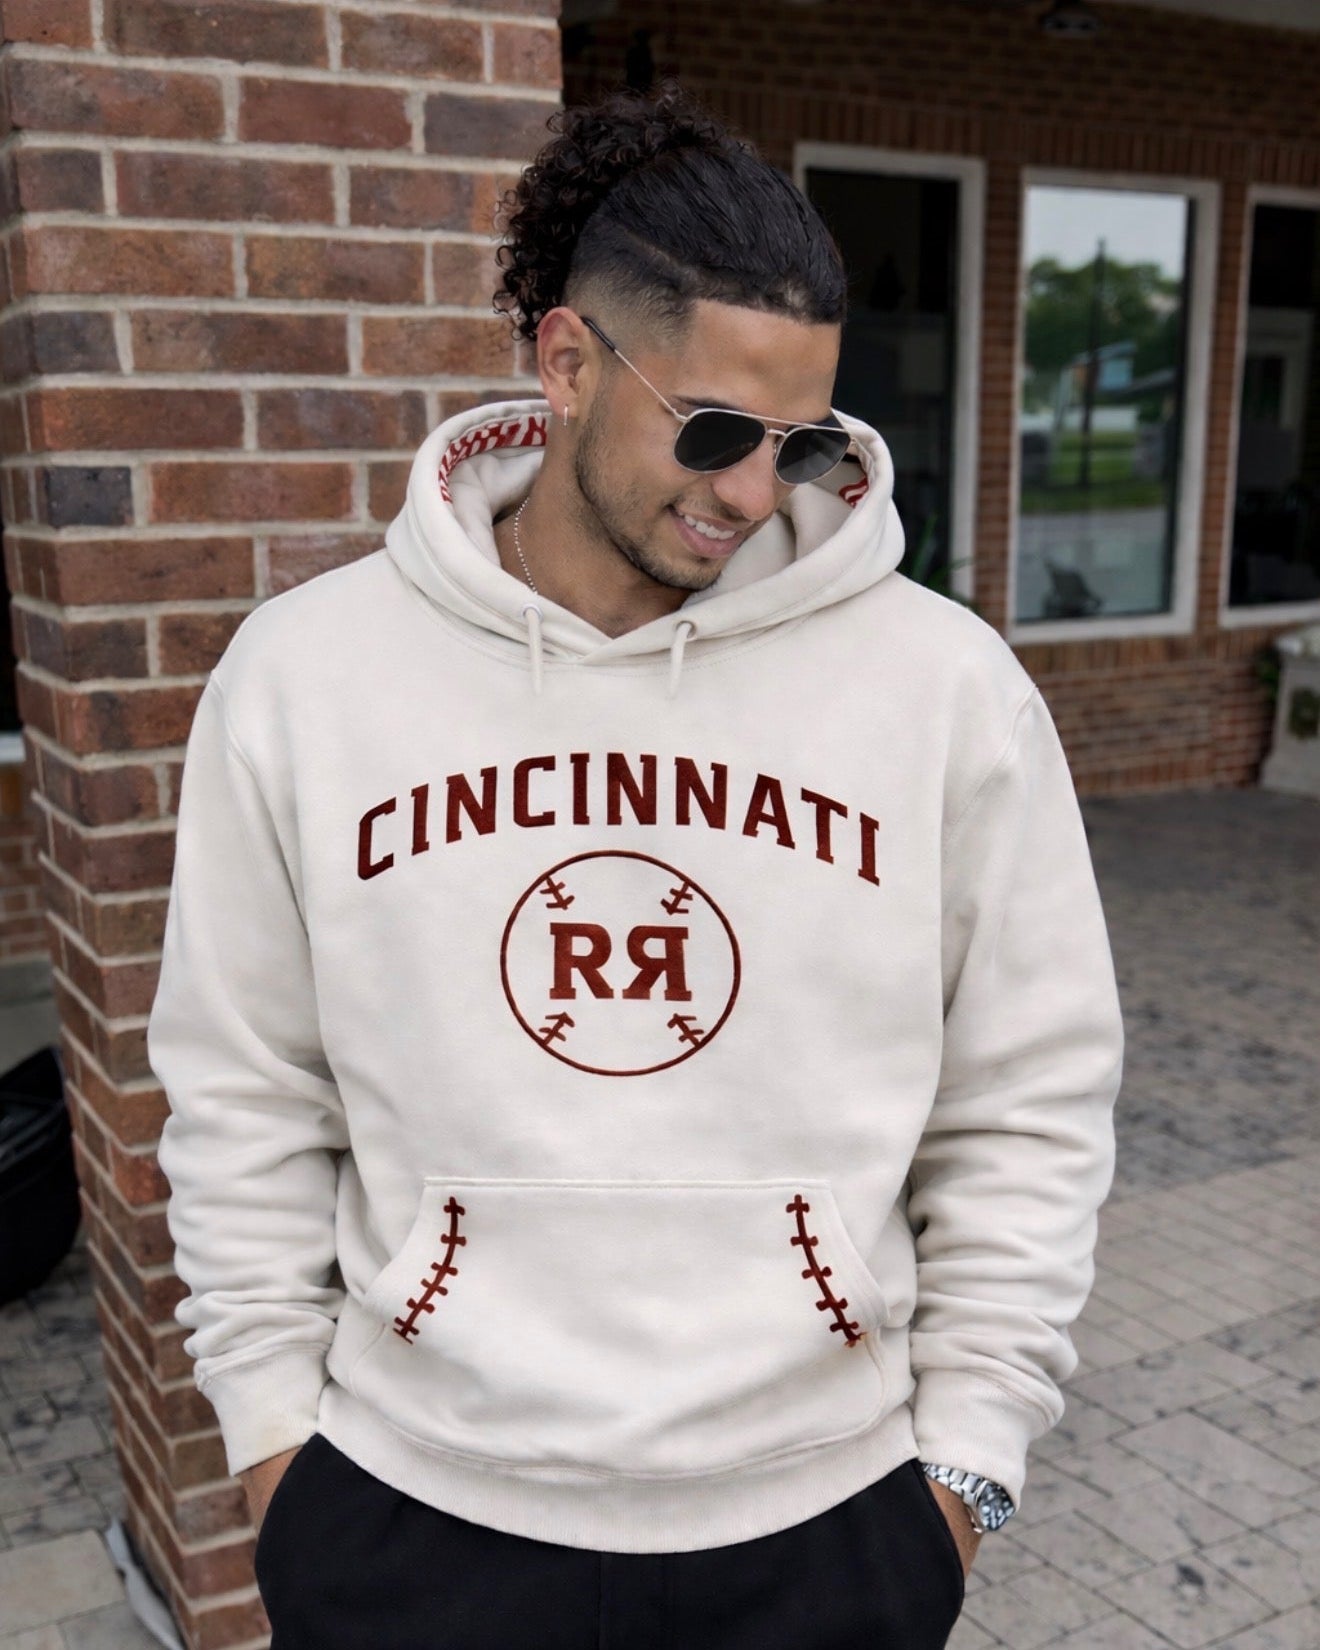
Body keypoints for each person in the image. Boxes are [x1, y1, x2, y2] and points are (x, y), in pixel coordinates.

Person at [148, 84, 1124, 1650]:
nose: (755, 491)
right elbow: (246, 1089)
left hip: (827, 1527)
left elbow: (1029, 1098)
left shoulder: (944, 691)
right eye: (718, 430)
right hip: (413, 1517)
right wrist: (278, 1451)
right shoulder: (305, 678)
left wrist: (969, 1477)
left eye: (800, 440)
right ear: (566, 362)